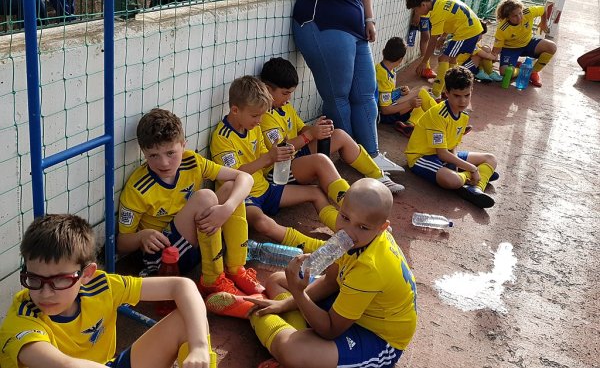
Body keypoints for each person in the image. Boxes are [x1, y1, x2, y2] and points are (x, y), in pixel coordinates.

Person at [210, 178, 418, 368]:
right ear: (340, 208)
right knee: (277, 280)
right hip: (352, 305)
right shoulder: (356, 239)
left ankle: (251, 311)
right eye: (345, 217)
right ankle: (277, 320)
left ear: (382, 227)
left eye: (362, 227)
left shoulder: (370, 268)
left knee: (292, 351)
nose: (348, 231)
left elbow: (330, 329)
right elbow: (331, 282)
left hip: (376, 337)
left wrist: (299, 294)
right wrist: (285, 304)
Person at [0, 214, 215, 368]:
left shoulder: (101, 286)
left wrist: (199, 347)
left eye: (61, 280)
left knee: (189, 322)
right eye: (34, 279)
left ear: (86, 274)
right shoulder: (22, 318)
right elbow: (64, 365)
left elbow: (182, 286)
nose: (45, 293)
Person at [291, 0, 404, 175]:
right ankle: (353, 157)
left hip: (356, 28)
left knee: (366, 92)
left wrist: (369, 18)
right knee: (338, 95)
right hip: (323, 23)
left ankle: (371, 153)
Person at [117, 108, 262, 307]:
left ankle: (236, 268)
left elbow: (245, 178)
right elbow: (121, 243)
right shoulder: (138, 188)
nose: (164, 162)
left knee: (230, 189)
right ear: (144, 153)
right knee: (205, 197)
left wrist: (227, 208)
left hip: (195, 241)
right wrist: (142, 236)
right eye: (153, 155)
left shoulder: (192, 161)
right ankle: (212, 281)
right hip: (164, 259)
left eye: (170, 153)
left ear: (183, 145)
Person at [210, 75, 346, 242]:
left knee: (316, 192)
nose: (259, 121)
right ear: (235, 110)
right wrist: (269, 157)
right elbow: (234, 174)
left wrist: (279, 154)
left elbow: (264, 155)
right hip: (245, 196)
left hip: (266, 188)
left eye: (261, 115)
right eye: (255, 116)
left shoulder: (252, 127)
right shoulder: (222, 138)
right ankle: (314, 246)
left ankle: (346, 227)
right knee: (262, 223)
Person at [259, 57, 404, 193]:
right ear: (267, 89)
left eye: (291, 93)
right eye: (285, 93)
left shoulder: (285, 107)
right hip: (278, 170)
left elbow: (302, 129)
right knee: (321, 161)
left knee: (339, 135)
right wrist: (310, 135)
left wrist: (320, 130)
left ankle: (377, 175)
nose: (289, 98)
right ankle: (347, 199)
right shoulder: (263, 116)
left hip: (296, 157)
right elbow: (281, 150)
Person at [405, 66, 498, 208]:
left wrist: (455, 166)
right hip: (422, 157)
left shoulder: (464, 115)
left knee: (491, 159)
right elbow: (441, 154)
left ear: (471, 91)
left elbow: (453, 145)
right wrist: (473, 169)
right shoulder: (438, 115)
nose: (463, 101)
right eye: (457, 96)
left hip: (445, 154)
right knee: (452, 180)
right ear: (447, 93)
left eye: (467, 95)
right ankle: (476, 176)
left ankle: (476, 188)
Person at [406, 0, 484, 99]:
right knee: (452, 60)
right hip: (471, 28)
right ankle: (450, 88)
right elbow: (451, 18)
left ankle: (436, 92)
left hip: (467, 32)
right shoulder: (440, 0)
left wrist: (424, 62)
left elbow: (432, 41)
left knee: (443, 59)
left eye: (415, 10)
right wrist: (443, 37)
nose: (416, 12)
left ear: (423, 5)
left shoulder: (436, 13)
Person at [375, 37, 438, 137]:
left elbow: (385, 94)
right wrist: (409, 103)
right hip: (384, 115)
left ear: (383, 52)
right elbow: (385, 110)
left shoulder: (382, 68)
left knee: (420, 95)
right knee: (420, 95)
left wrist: (398, 91)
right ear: (401, 60)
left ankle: (409, 125)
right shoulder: (384, 76)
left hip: (388, 105)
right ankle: (442, 117)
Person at [492, 0, 556, 87]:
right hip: (510, 49)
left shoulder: (528, 12)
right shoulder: (502, 29)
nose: (519, 17)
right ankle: (521, 69)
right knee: (505, 72)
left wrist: (543, 23)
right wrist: (490, 60)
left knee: (552, 47)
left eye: (520, 13)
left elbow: (543, 10)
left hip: (528, 43)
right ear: (507, 17)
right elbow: (496, 50)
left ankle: (533, 72)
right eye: (514, 16)